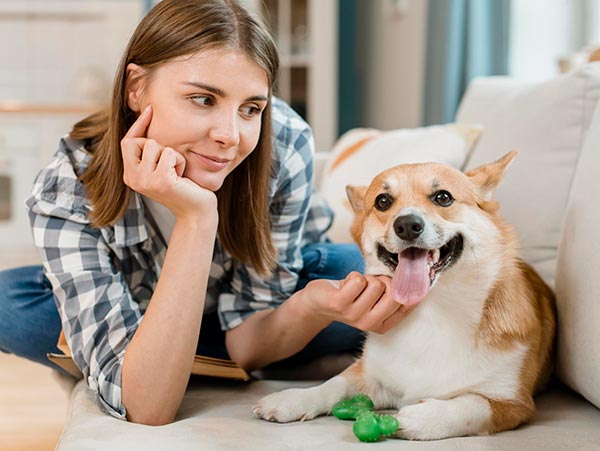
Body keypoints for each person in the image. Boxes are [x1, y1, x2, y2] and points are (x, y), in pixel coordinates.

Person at [0, 0, 413, 426]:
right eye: (202, 99)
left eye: (251, 108)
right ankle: (193, 358)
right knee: (7, 302)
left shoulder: (285, 142)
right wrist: (197, 219)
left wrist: (309, 307)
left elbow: (249, 334)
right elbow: (148, 409)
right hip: (142, 309)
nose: (229, 136)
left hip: (252, 319)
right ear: (136, 89)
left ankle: (173, 358)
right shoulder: (69, 184)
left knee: (353, 273)